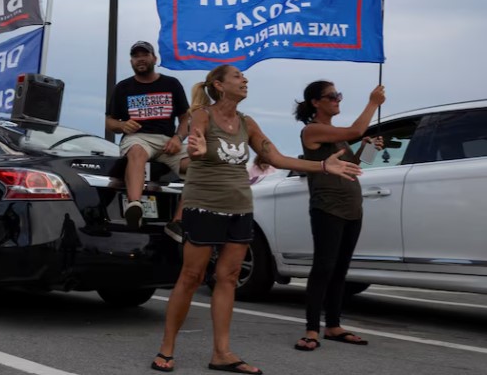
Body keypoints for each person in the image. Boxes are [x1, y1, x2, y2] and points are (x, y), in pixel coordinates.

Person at [151, 65, 363, 374]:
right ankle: (167, 348)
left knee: (228, 277)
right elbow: (193, 149)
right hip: (204, 205)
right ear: (219, 85)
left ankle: (221, 352)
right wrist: (195, 151)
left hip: (240, 208)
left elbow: (276, 157)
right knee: (191, 277)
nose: (245, 80)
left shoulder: (247, 123)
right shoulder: (202, 116)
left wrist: (323, 166)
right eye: (238, 76)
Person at [292, 82, 385, 352]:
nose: (337, 100)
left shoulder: (336, 136)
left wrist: (367, 149)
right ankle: (311, 329)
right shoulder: (312, 130)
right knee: (323, 267)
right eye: (331, 96)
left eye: (338, 95)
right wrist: (373, 103)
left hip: (352, 208)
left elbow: (352, 167)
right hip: (327, 207)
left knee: (340, 269)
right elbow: (357, 129)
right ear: (315, 103)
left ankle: (333, 325)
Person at [105, 41, 189, 230]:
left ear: (154, 58)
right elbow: (109, 121)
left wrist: (178, 138)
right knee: (136, 152)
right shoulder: (123, 87)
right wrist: (122, 125)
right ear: (131, 61)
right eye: (136, 56)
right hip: (139, 138)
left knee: (199, 165)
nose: (140, 59)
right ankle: (135, 205)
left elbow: (186, 119)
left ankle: (178, 222)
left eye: (145, 55)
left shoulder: (171, 84)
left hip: (168, 141)